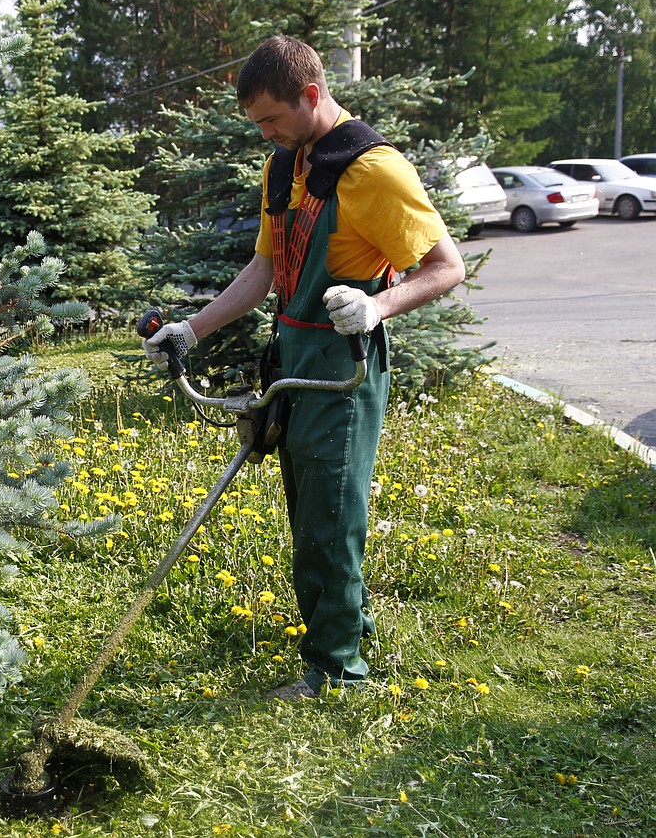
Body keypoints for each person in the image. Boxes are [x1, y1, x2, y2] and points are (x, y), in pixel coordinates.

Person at [142, 36, 466, 699]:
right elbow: (265, 270)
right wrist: (193, 329)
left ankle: (337, 671)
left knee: (330, 516)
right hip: (291, 353)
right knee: (309, 510)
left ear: (310, 96)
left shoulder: (377, 172)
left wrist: (377, 306)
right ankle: (347, 632)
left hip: (342, 362)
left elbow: (445, 269)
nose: (264, 133)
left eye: (270, 119)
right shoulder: (284, 167)